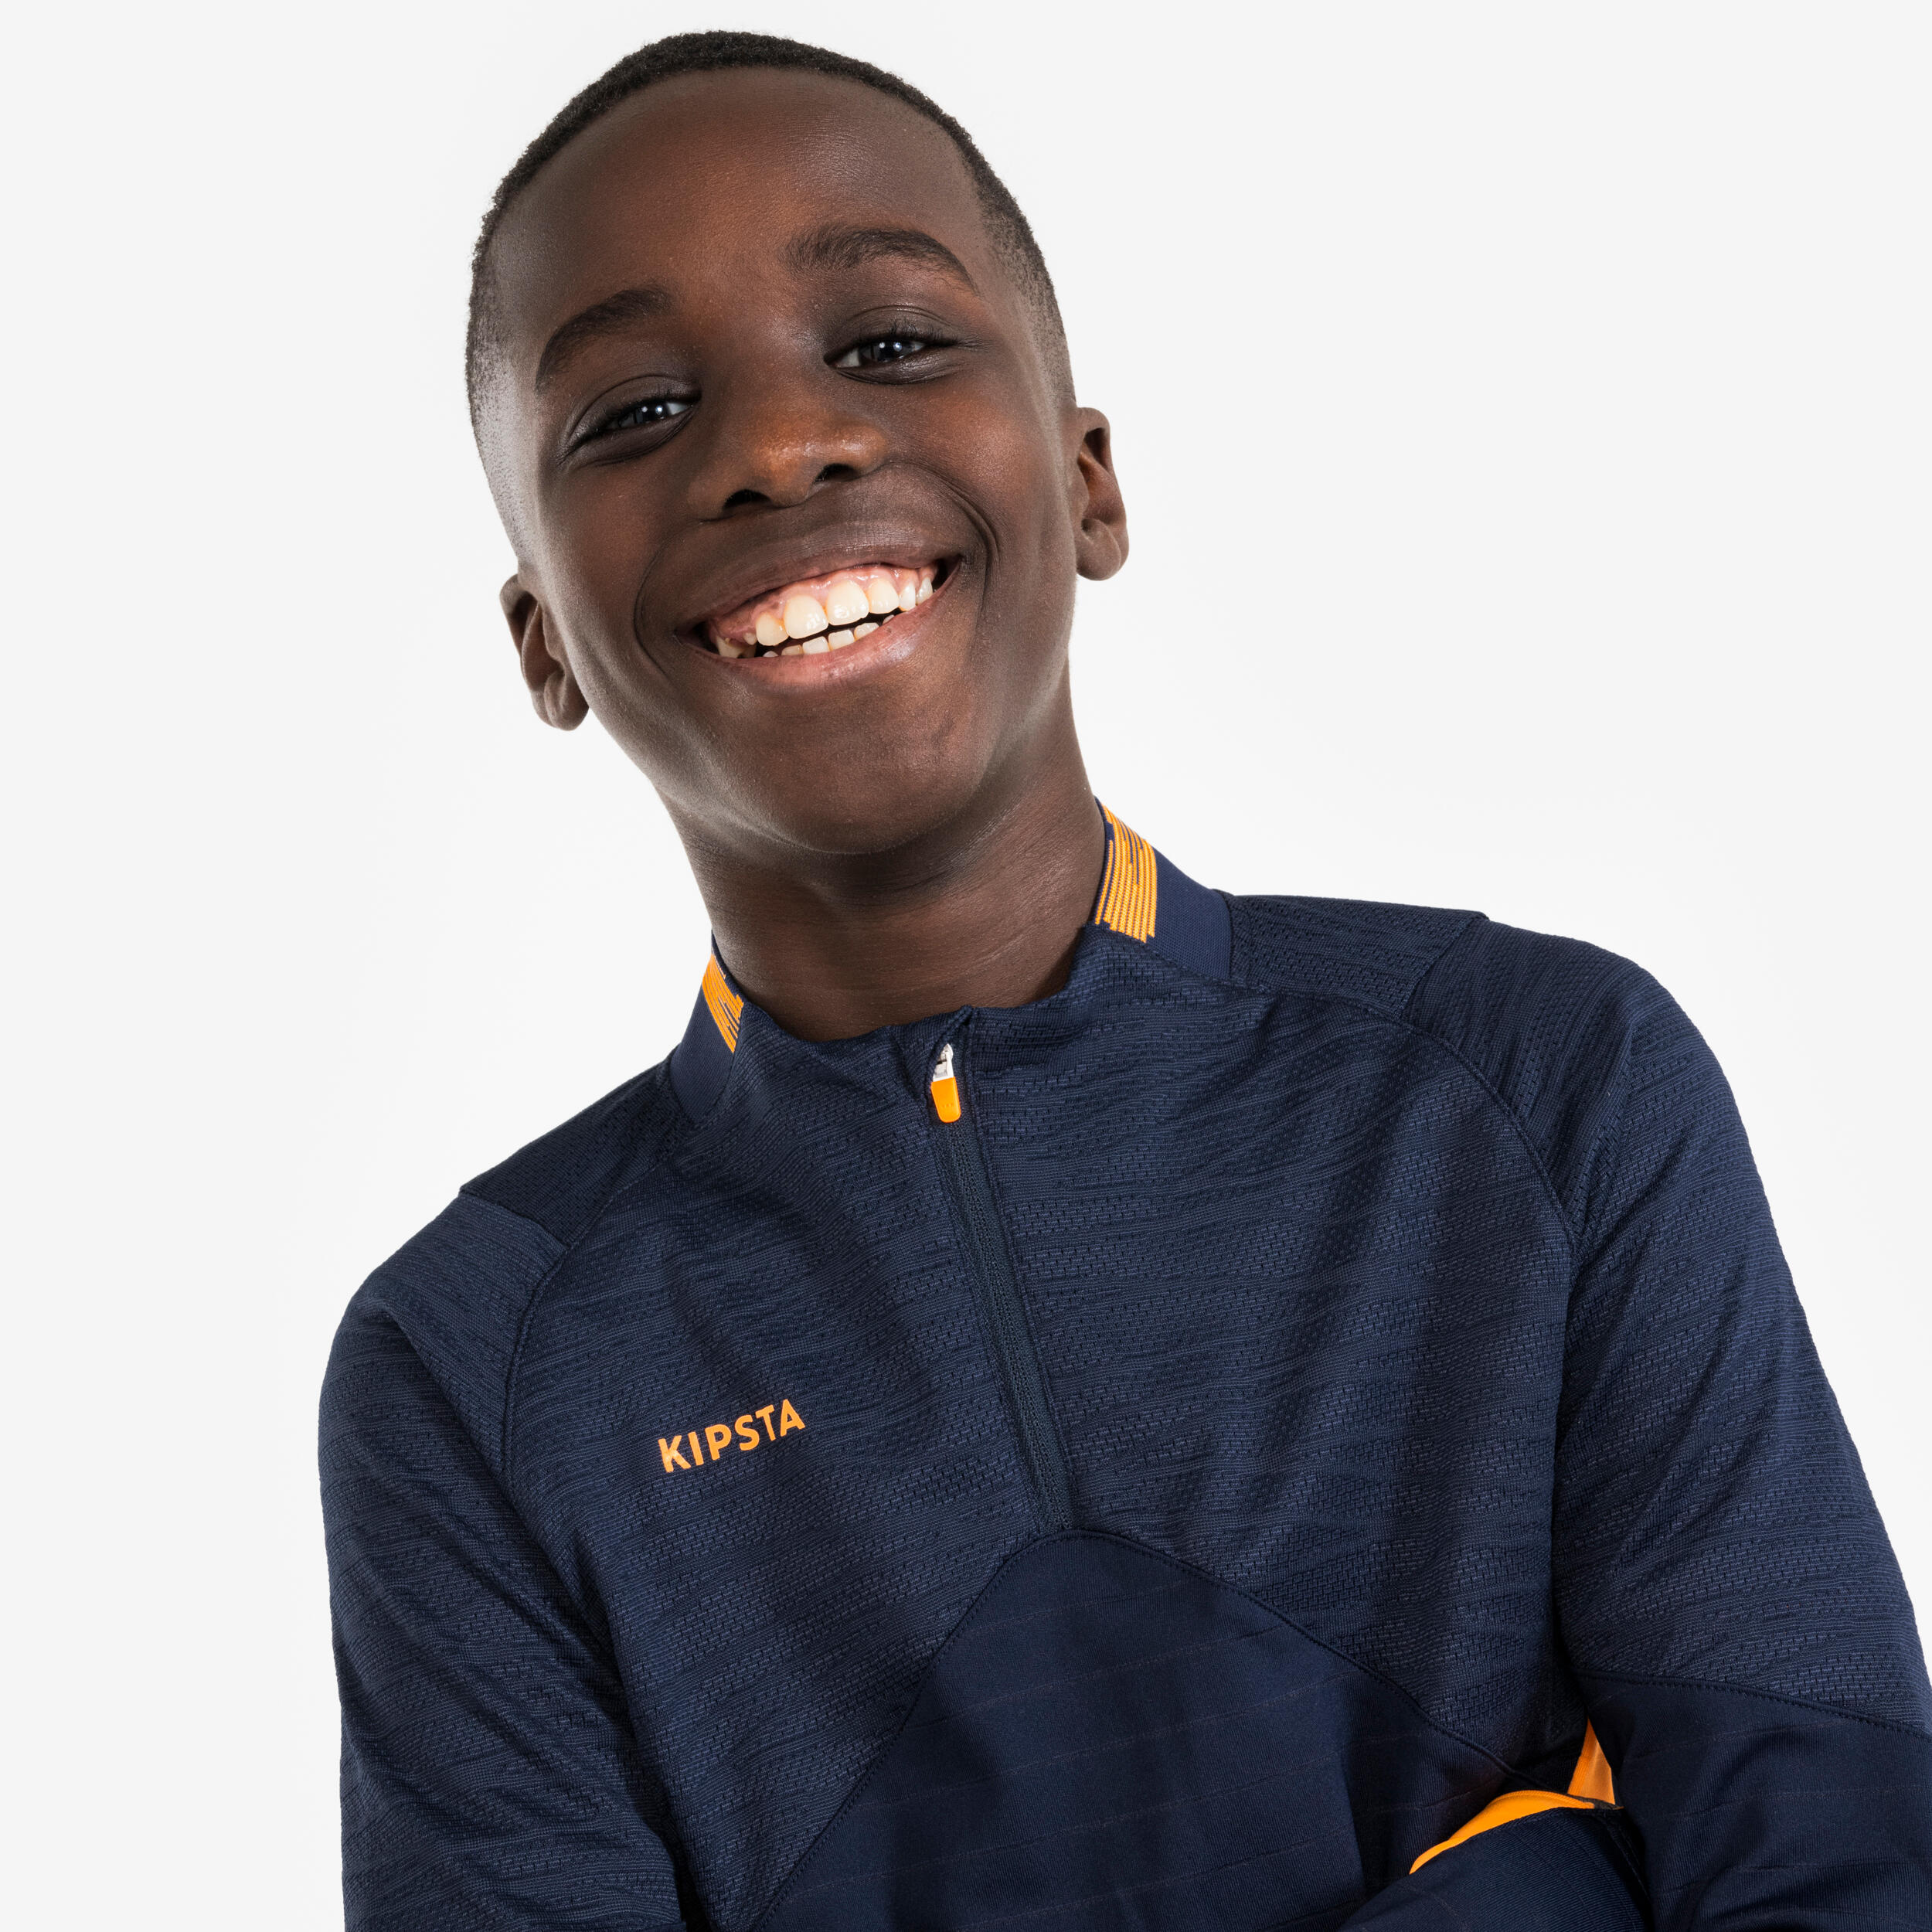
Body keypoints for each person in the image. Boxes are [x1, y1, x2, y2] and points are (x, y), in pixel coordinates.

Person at [320, 30, 1932, 1931]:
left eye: (888, 343)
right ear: (543, 642)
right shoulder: (474, 1366)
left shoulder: (1539, 1082)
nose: (777, 446)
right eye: (635, 412)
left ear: (1086, 483)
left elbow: (1839, 1862)